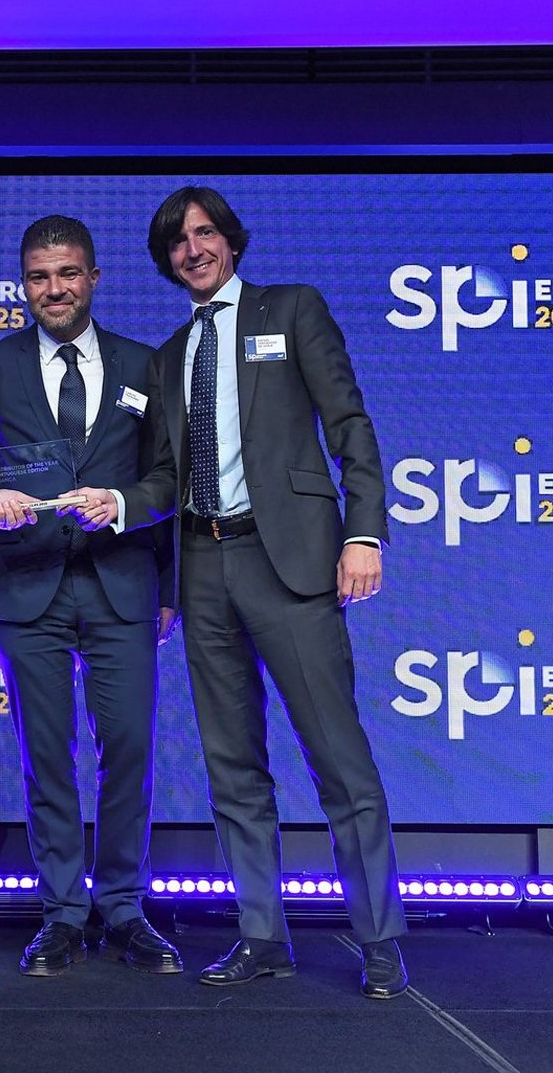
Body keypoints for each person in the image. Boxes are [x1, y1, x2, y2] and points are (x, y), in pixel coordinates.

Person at [144, 186, 409, 999]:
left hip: (287, 559)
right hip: (201, 565)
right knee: (231, 766)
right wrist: (165, 588)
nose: (193, 249)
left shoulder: (290, 309)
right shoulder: (167, 355)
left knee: (338, 759)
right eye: (177, 241)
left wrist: (362, 533)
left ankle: (378, 938)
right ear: (167, 260)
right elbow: (165, 479)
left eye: (204, 233)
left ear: (230, 240)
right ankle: (261, 935)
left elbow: (349, 423)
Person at [0, 215, 178, 977]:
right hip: (28, 584)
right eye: (38, 277)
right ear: (23, 285)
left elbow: (168, 478)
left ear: (92, 278)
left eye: (66, 274)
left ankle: (121, 905)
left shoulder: (143, 364)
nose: (53, 289)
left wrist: (148, 551)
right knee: (46, 756)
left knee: (128, 750)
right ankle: (60, 911)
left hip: (123, 584)